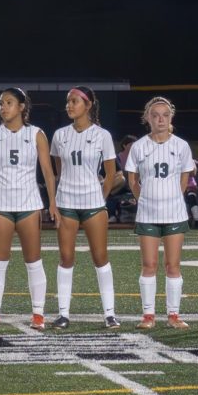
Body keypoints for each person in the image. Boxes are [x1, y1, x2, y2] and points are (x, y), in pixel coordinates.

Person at [0, 87, 59, 330]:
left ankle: (38, 314)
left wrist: (52, 202)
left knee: (34, 261)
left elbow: (48, 173)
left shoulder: (37, 134)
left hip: (29, 204)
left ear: (22, 107)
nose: (3, 107)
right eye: (1, 103)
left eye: (9, 102)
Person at [50, 86, 119, 329]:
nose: (69, 105)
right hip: (67, 203)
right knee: (66, 258)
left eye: (75, 101)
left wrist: (100, 198)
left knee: (100, 258)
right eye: (68, 101)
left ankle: (110, 313)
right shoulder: (59, 135)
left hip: (93, 205)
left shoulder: (103, 135)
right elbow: (60, 170)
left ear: (88, 105)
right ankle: (63, 314)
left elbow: (110, 174)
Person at [126, 97, 195, 330]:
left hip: (174, 213)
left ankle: (174, 314)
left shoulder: (181, 146)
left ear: (171, 117)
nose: (160, 119)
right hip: (147, 214)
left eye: (165, 115)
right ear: (147, 118)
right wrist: (142, 198)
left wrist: (174, 196)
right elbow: (132, 179)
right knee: (149, 264)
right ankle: (148, 315)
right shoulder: (139, 147)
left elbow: (185, 177)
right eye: (155, 115)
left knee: (173, 265)